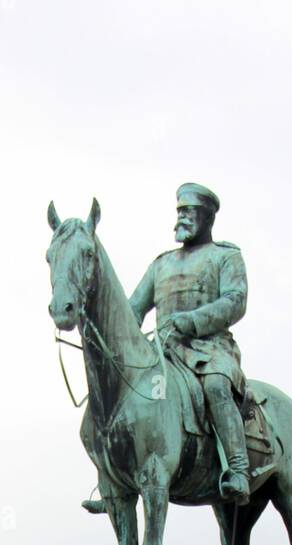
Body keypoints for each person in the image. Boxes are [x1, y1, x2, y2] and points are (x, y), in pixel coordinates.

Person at [85, 183, 251, 510]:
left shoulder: (225, 257)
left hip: (209, 350)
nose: (182, 219)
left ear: (207, 217)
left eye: (189, 213)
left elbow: (235, 301)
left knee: (217, 386)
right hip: (165, 352)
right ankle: (114, 480)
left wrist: (193, 320)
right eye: (180, 212)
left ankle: (239, 468)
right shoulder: (161, 264)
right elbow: (132, 310)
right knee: (125, 395)